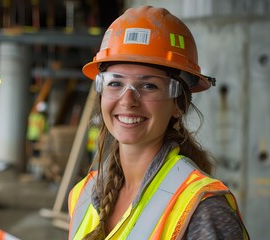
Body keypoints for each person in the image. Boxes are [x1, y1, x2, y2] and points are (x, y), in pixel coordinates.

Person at [68, 6, 249, 240]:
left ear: (178, 105)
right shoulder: (82, 195)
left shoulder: (203, 211)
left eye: (148, 85)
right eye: (115, 83)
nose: (128, 100)